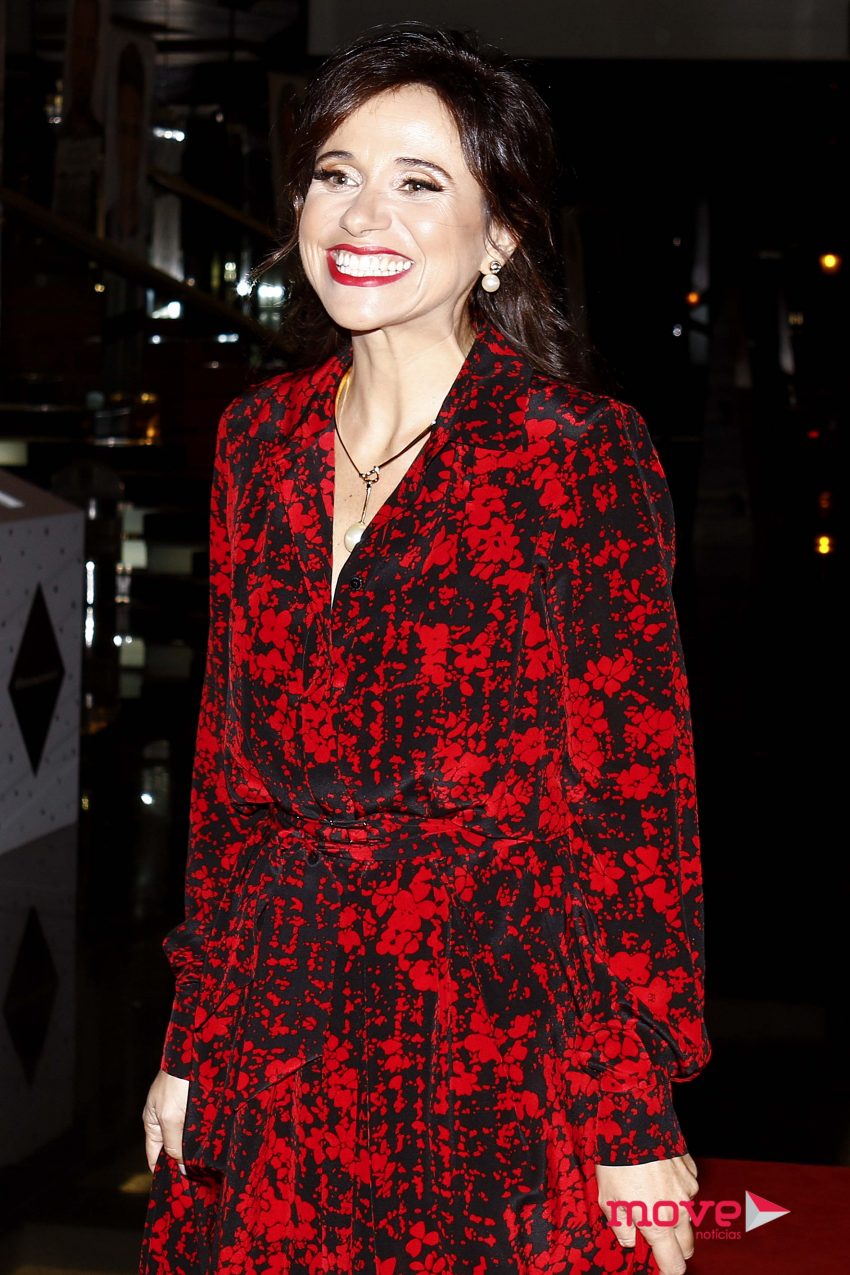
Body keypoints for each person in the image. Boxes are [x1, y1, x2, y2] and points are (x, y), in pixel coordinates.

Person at [139, 22, 711, 1275]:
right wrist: (191, 1037)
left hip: (491, 1038)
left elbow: (631, 810)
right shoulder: (258, 441)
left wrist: (628, 1112)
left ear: (499, 234)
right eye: (335, 173)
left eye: (418, 182)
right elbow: (229, 783)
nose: (362, 214)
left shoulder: (574, 455)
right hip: (277, 1017)